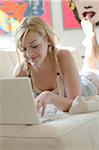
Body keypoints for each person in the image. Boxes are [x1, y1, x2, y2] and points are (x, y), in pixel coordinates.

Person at [13, 16, 98, 116]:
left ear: (48, 40)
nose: (29, 54)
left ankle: (91, 40)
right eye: (23, 49)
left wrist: (51, 97)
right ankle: (90, 41)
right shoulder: (22, 71)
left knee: (92, 66)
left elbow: (76, 103)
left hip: (90, 83)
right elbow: (13, 106)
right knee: (88, 64)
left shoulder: (63, 56)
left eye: (34, 46)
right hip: (77, 78)